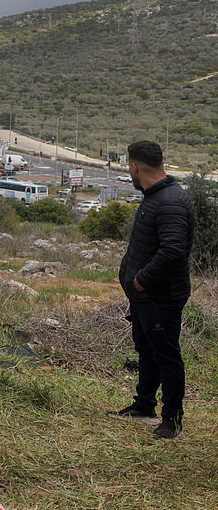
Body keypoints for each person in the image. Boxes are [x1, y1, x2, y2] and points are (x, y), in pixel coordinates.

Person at [110, 140, 195, 439]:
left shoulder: (169, 201)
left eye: (128, 168)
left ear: (134, 167)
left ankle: (172, 420)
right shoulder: (155, 196)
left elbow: (172, 251)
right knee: (147, 351)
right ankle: (143, 406)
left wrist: (141, 279)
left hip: (161, 297)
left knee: (166, 356)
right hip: (145, 297)